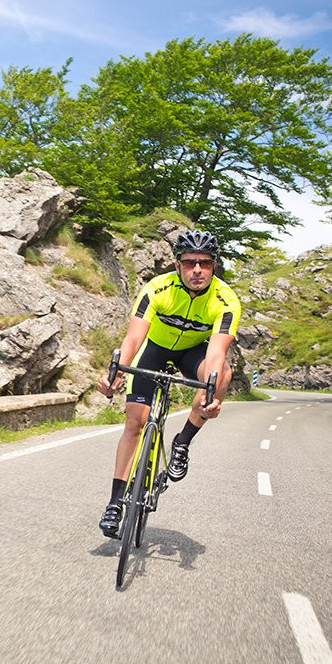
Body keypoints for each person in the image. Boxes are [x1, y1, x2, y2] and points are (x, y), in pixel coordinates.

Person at [96, 228, 241, 538]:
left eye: (205, 263)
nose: (198, 270)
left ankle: (183, 440)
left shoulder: (225, 300)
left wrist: (212, 392)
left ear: (214, 266)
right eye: (190, 263)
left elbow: (216, 352)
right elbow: (134, 336)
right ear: (177, 265)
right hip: (155, 350)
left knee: (222, 374)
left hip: (194, 353)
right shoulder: (157, 288)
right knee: (135, 423)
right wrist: (116, 372)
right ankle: (115, 502)